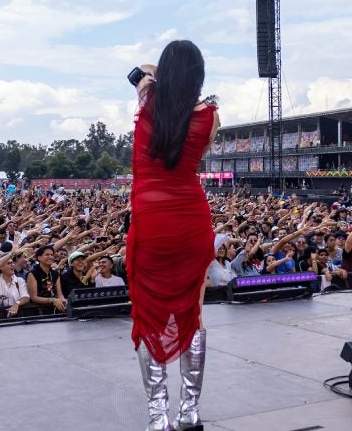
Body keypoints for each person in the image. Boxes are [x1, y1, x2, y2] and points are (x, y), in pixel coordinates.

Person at [126, 40, 218, 431]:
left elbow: (142, 68)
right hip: (191, 222)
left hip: (151, 224)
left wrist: (160, 78)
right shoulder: (210, 115)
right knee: (192, 316)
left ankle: (158, 417)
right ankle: (189, 412)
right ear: (198, 75)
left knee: (149, 319)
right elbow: (199, 152)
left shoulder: (147, 102)